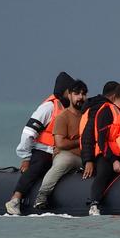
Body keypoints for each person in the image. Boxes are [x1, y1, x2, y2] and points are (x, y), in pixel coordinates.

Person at [5, 71, 76, 215]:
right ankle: (15, 199)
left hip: (63, 151)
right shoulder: (48, 108)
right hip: (44, 150)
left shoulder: (72, 109)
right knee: (37, 167)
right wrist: (26, 157)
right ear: (66, 92)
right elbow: (29, 133)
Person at [32, 79, 88, 212]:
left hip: (85, 156)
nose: (81, 97)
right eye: (77, 94)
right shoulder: (63, 116)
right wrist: (81, 141)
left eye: (83, 94)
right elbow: (60, 143)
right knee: (62, 163)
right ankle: (42, 195)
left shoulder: (87, 116)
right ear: (69, 95)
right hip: (68, 154)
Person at [87, 83, 120, 216]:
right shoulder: (106, 111)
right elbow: (102, 141)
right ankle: (94, 204)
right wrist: (113, 160)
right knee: (104, 172)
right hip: (106, 154)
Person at [79, 81, 119, 176]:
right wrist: (88, 160)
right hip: (97, 155)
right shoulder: (100, 109)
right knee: (102, 176)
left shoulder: (95, 105)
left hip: (100, 153)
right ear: (114, 96)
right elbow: (88, 134)